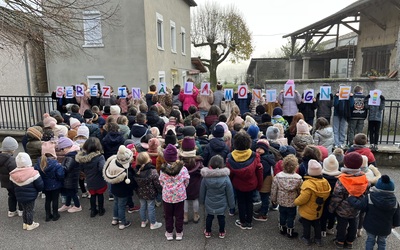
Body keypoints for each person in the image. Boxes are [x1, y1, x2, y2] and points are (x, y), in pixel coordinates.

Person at [347, 175, 400, 250]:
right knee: (382, 241)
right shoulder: (395, 202)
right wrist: (395, 224)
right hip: (385, 227)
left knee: (370, 240)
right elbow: (397, 215)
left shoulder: (369, 197)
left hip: (371, 225)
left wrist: (351, 198)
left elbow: (360, 206)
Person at [329, 152, 369, 249]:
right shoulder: (363, 177)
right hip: (356, 208)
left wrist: (331, 208)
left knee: (342, 226)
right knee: (353, 225)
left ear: (345, 164)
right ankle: (350, 241)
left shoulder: (342, 179)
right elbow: (366, 192)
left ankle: (340, 241)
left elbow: (337, 196)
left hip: (343, 209)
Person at [226, 131, 263, 230]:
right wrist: (259, 185)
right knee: (249, 202)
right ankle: (249, 222)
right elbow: (259, 171)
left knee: (241, 202)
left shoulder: (230, 157)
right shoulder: (255, 156)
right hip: (252, 183)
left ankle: (242, 221)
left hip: (238, 184)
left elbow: (230, 174)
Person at [294, 160, 331, 246]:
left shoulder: (308, 184)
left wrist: (296, 202)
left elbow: (303, 198)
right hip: (318, 209)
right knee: (317, 224)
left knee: (306, 225)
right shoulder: (325, 182)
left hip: (307, 210)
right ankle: (318, 239)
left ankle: (306, 238)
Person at [159, 144, 190, 241]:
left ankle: (169, 233)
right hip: (179, 195)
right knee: (179, 215)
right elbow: (187, 181)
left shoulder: (163, 170)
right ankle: (179, 233)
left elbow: (161, 181)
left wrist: (166, 187)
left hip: (167, 196)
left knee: (168, 215)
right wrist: (182, 187)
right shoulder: (183, 169)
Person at [200, 155, 235, 239]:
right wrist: (232, 205)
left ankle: (208, 232)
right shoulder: (226, 178)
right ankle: (222, 232)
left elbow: (202, 191)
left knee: (209, 216)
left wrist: (201, 201)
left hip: (209, 201)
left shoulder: (205, 177)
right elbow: (230, 192)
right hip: (222, 202)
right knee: (221, 217)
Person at [103, 145, 137, 230]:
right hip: (123, 192)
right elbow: (131, 183)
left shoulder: (113, 163)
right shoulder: (126, 172)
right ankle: (122, 222)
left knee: (116, 203)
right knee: (121, 206)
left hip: (114, 189)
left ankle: (115, 218)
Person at [10, 152, 44, 231]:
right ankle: (30, 224)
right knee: (29, 210)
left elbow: (11, 186)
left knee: (24, 209)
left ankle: (25, 223)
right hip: (31, 196)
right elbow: (40, 186)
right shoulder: (34, 173)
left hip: (19, 195)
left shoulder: (13, 174)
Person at [271, 154, 303, 238]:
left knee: (282, 214)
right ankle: (290, 231)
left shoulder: (278, 177)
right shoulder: (298, 178)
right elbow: (300, 190)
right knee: (291, 216)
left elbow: (274, 189)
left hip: (281, 201)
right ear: (296, 166)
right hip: (292, 202)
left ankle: (282, 227)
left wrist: (273, 199)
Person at [75, 137, 107, 217]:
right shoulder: (100, 157)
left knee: (93, 195)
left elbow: (81, 168)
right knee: (100, 195)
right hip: (99, 180)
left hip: (89, 179)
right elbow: (101, 168)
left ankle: (93, 210)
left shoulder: (83, 158)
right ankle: (101, 209)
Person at [34, 142, 64, 221]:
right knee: (55, 199)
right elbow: (60, 175)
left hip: (45, 185)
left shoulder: (38, 164)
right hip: (55, 185)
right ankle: (55, 214)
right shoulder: (56, 164)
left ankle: (47, 215)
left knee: (48, 200)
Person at [134, 152, 163, 230]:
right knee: (151, 208)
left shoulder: (135, 171)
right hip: (151, 194)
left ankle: (143, 221)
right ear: (148, 160)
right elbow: (157, 184)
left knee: (142, 207)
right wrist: (161, 191)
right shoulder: (153, 172)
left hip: (140, 193)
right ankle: (153, 223)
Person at [179, 136, 203, 224]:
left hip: (183, 184)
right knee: (195, 199)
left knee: (185, 199)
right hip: (195, 184)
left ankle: (185, 216)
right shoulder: (198, 162)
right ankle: (195, 215)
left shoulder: (180, 162)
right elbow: (202, 172)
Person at [0, 136, 24, 217]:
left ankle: (12, 210)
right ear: (12, 149)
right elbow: (16, 172)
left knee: (11, 195)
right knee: (19, 195)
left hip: (5, 181)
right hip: (14, 181)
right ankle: (21, 210)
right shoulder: (11, 161)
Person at [57, 137, 82, 213]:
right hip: (71, 177)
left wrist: (59, 166)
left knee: (72, 192)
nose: (62, 151)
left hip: (70, 178)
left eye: (62, 149)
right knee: (69, 191)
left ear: (67, 147)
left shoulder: (70, 156)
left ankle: (77, 206)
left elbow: (66, 168)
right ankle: (67, 204)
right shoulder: (72, 155)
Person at [253, 139, 275, 222]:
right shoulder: (267, 157)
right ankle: (263, 208)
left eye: (261, 148)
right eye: (257, 147)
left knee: (265, 197)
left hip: (265, 181)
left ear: (265, 150)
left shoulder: (264, 160)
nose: (258, 149)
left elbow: (263, 172)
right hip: (266, 181)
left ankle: (263, 213)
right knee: (264, 197)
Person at [320, 155, 341, 237]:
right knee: (332, 214)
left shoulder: (321, 178)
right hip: (334, 199)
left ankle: (322, 230)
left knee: (323, 214)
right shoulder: (339, 178)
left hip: (324, 199)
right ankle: (330, 228)